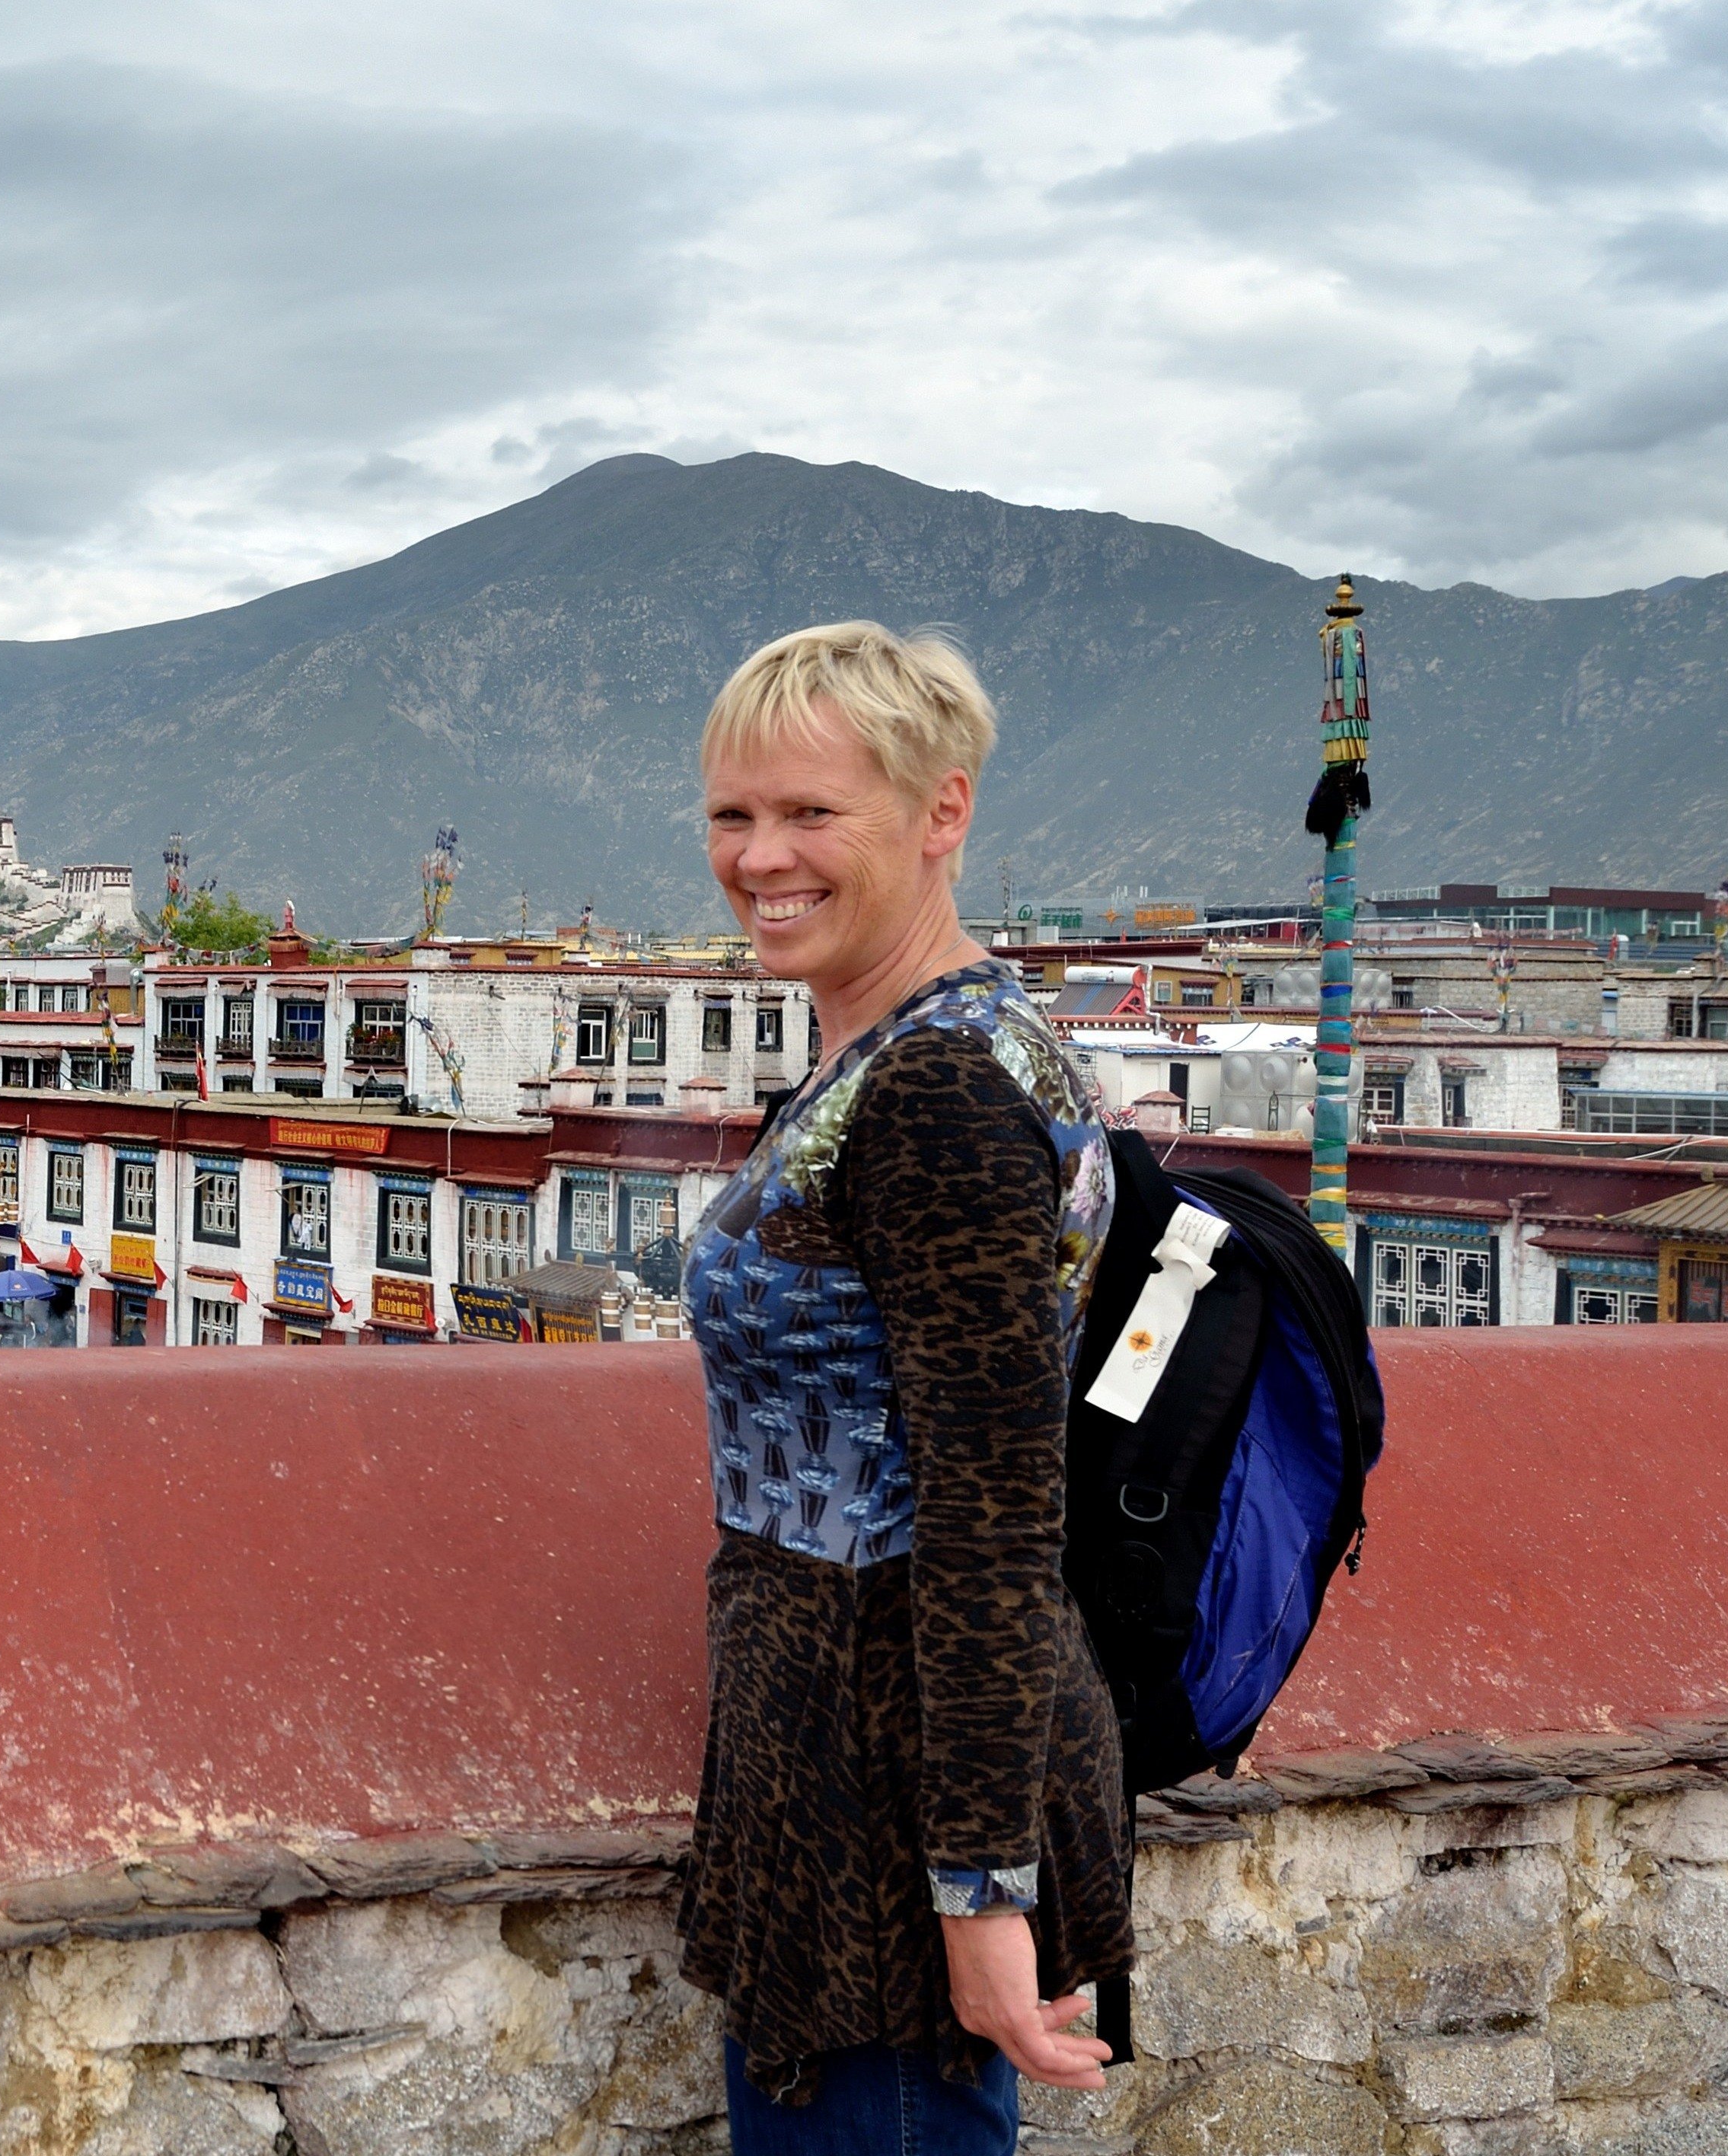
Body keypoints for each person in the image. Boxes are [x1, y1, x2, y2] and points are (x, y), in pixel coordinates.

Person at [678, 622, 1127, 2153]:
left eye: (813, 813)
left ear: (943, 814)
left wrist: (979, 1897)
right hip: (834, 1794)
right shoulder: (915, 1050)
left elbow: (996, 1521)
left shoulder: (937, 1089)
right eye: (735, 814)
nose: (760, 857)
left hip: (885, 1836)